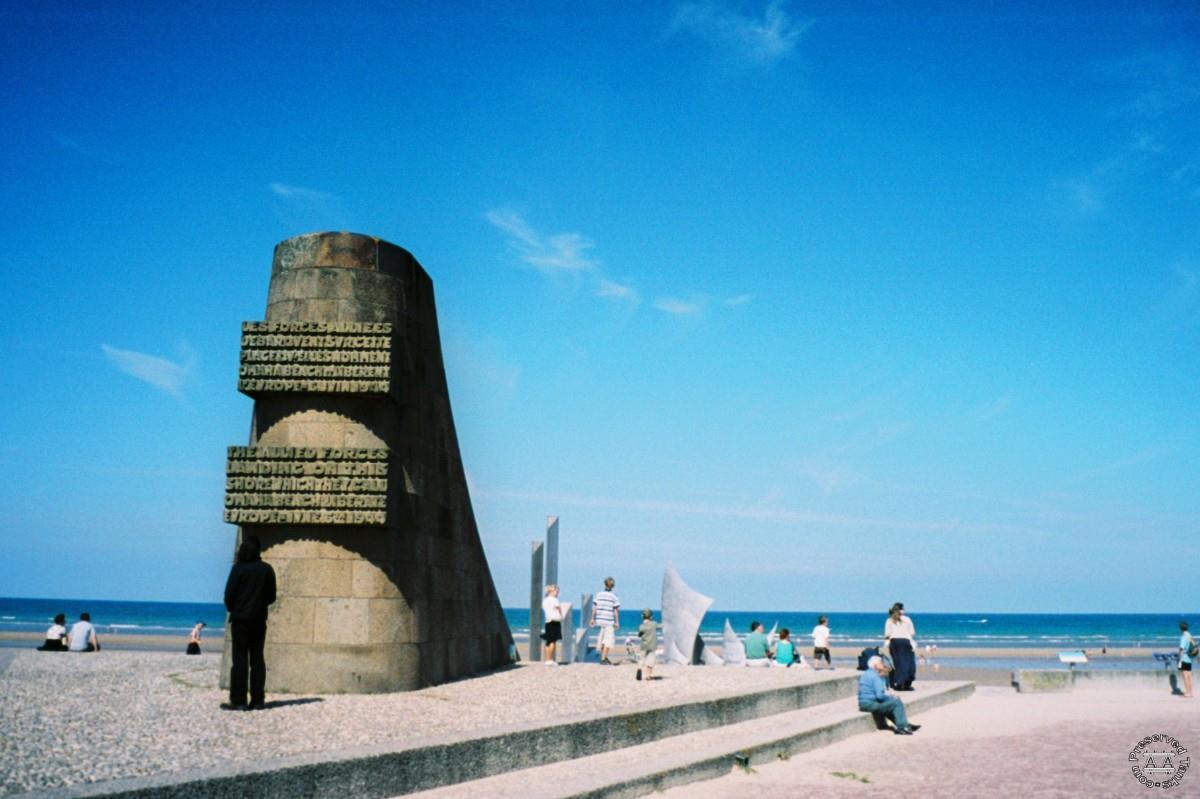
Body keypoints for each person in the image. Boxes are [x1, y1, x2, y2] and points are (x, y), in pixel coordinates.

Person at [223, 536, 277, 711]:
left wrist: (237, 608)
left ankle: (239, 700)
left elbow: (229, 596)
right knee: (257, 659)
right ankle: (258, 699)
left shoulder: (238, 569)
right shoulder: (267, 569)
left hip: (240, 620)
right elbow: (271, 597)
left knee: (239, 660)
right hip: (258, 619)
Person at [859, 655, 921, 735]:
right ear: (875, 665)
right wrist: (891, 697)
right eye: (880, 663)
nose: (883, 664)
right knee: (896, 702)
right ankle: (902, 727)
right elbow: (880, 696)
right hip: (870, 704)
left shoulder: (867, 674)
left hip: (864, 703)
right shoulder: (876, 676)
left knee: (889, 705)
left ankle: (905, 724)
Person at [884, 602, 917, 690]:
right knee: (908, 663)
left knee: (898, 663)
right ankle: (906, 683)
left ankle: (899, 682)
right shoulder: (907, 619)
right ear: (901, 610)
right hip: (906, 642)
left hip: (894, 642)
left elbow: (887, 634)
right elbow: (912, 633)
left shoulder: (890, 620)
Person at [589, 577, 621, 664]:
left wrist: (592, 618)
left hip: (600, 620)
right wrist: (617, 621)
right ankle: (603, 659)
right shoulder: (614, 596)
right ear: (613, 585)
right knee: (608, 640)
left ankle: (604, 657)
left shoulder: (599, 594)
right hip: (609, 620)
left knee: (603, 639)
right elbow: (615, 610)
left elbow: (594, 607)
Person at [541, 585, 563, 666]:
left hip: (548, 621)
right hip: (554, 621)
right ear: (552, 592)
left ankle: (547, 659)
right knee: (553, 641)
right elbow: (558, 608)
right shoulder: (554, 600)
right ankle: (550, 659)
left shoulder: (545, 600)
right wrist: (561, 615)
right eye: (557, 592)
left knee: (548, 641)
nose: (558, 594)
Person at [636, 609, 658, 681]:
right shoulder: (654, 624)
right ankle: (648, 676)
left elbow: (639, 635)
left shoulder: (641, 626)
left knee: (641, 659)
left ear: (642, 616)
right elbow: (660, 626)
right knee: (650, 661)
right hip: (652, 646)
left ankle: (639, 669)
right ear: (651, 617)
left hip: (644, 646)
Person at [1180, 620, 1196, 699]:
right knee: (1189, 675)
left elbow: (1182, 649)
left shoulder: (1183, 637)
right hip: (1190, 657)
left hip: (1185, 658)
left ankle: (1187, 692)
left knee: (1185, 675)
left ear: (1181, 629)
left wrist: (1179, 657)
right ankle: (1191, 692)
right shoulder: (1189, 635)